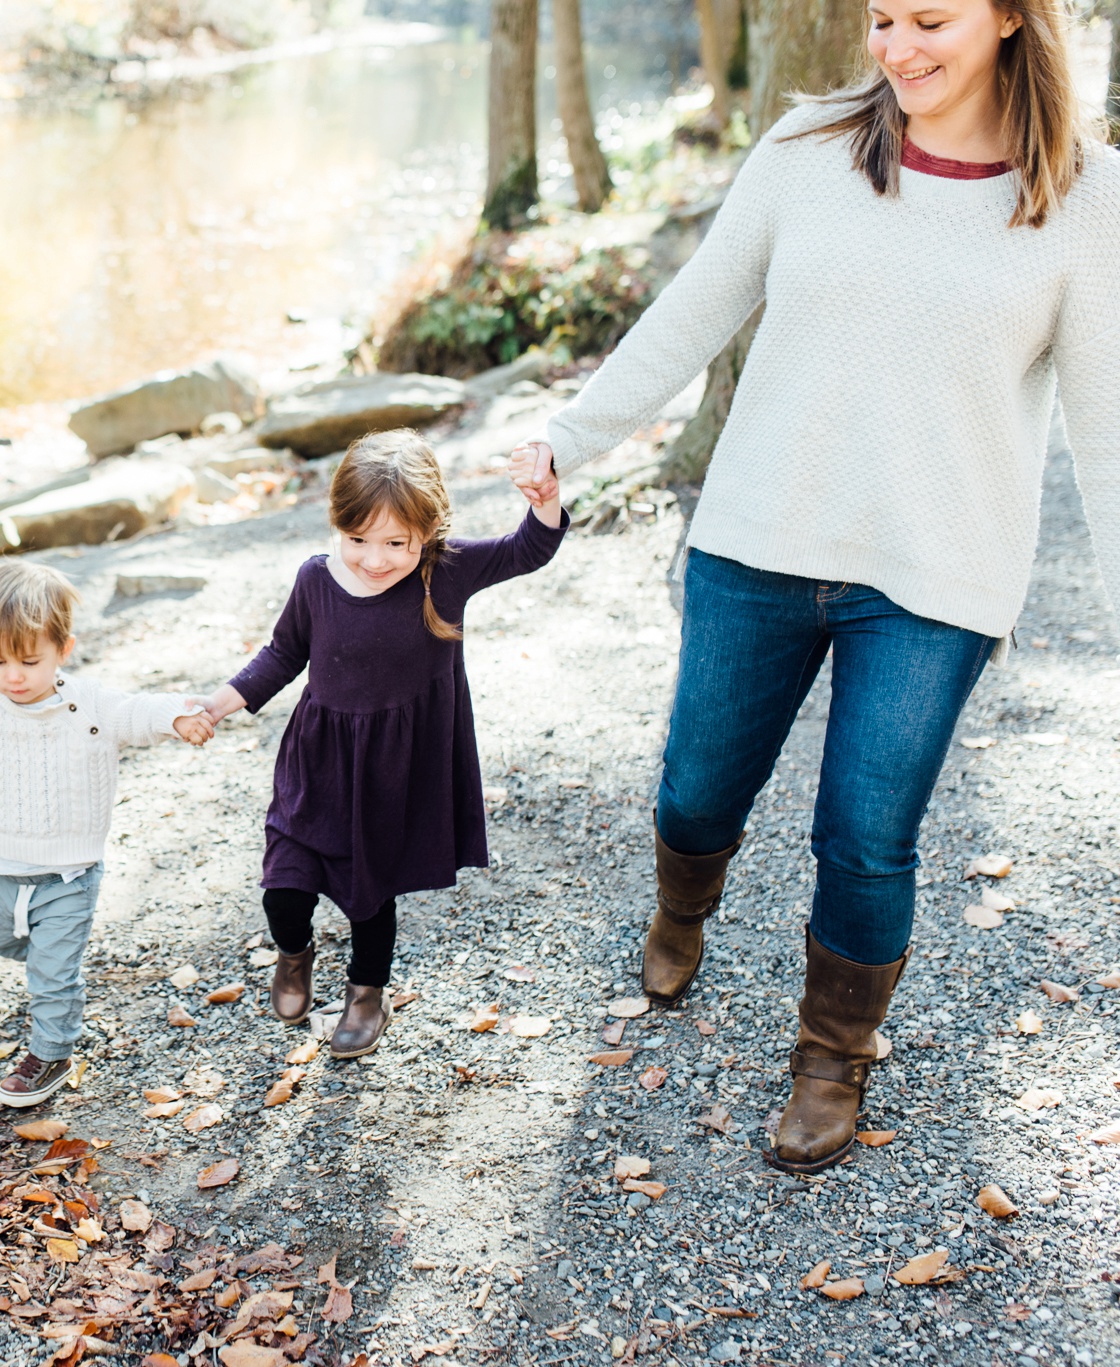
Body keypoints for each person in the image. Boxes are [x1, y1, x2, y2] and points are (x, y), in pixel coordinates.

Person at [511, 0, 1117, 1173]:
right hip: (758, 538)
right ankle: (680, 908)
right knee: (695, 790)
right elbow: (698, 303)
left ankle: (829, 1059)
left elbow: (1105, 432)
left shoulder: (1086, 196)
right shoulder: (805, 146)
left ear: (1003, 17)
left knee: (865, 832)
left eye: (926, 18)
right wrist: (571, 434)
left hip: (934, 573)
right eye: (879, 17)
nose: (894, 48)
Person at [193, 430, 567, 1059]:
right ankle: (294, 952)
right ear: (337, 525)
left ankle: (368, 993)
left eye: (396, 543)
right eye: (358, 540)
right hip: (319, 760)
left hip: (393, 768)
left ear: (428, 530)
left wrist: (545, 498)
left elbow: (529, 548)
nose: (374, 559)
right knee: (284, 885)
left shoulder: (444, 573)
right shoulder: (316, 579)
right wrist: (223, 702)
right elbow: (284, 652)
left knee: (369, 890)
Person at [0, 561, 214, 1107]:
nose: (13, 676)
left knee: (51, 972)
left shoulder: (88, 707)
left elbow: (135, 711)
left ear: (63, 650)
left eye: (30, 661)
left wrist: (177, 717)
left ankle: (51, 1051)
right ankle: (57, 971)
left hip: (67, 875)